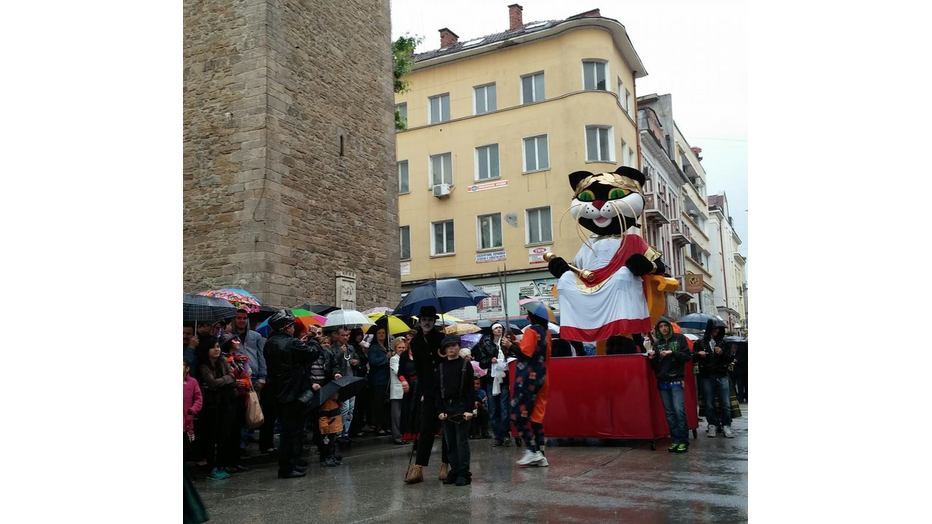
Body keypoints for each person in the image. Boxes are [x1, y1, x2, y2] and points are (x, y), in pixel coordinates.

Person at [264, 309, 321, 478]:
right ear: (285, 327)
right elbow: (312, 353)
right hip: (293, 392)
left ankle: (292, 463)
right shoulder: (290, 343)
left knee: (289, 431)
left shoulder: (270, 342)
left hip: (279, 391)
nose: (292, 328)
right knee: (292, 432)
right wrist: (313, 339)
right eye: (290, 325)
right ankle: (288, 467)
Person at [405, 305, 449, 484]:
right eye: (424, 319)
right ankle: (419, 467)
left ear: (434, 321)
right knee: (426, 427)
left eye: (430, 319)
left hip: (444, 387)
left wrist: (443, 349)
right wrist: (423, 390)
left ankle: (446, 464)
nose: (427, 322)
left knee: (446, 427)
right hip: (428, 388)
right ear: (420, 321)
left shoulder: (442, 338)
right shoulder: (415, 342)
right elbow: (420, 369)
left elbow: (446, 360)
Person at [511, 308, 552, 467]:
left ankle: (532, 450)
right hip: (542, 377)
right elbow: (544, 356)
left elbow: (525, 354)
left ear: (533, 316)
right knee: (536, 416)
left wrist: (511, 346)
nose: (527, 316)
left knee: (517, 415)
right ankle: (541, 455)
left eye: (529, 314)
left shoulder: (531, 331)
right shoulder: (547, 334)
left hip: (527, 378)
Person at [197, 336, 239, 480]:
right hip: (211, 405)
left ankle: (222, 464)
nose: (217, 349)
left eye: (218, 347)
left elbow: (232, 377)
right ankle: (212, 467)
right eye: (213, 347)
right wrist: (226, 379)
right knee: (211, 436)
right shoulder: (203, 365)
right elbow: (212, 382)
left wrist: (224, 380)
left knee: (224, 435)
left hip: (225, 402)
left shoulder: (222, 361)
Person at [436, 335, 475, 486]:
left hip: (461, 406)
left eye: (454, 345)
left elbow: (470, 389)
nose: (452, 348)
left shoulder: (466, 365)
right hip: (446, 408)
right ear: (444, 350)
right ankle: (454, 470)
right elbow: (437, 390)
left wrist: (469, 409)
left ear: (459, 347)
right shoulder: (440, 367)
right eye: (448, 346)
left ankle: (464, 473)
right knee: (450, 441)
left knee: (461, 441)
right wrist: (440, 409)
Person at [648, 319, 692, 453]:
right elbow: (655, 366)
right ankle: (676, 440)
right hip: (663, 381)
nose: (663, 328)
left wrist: (672, 353)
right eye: (660, 326)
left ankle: (683, 441)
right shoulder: (657, 344)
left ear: (669, 327)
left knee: (679, 410)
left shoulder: (679, 339)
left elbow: (687, 356)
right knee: (669, 413)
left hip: (676, 379)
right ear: (658, 329)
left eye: (665, 326)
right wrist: (652, 358)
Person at [695, 320, 736, 438]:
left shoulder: (723, 342)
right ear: (709, 329)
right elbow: (693, 357)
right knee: (709, 403)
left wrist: (722, 352)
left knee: (725, 403)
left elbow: (729, 359)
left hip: (722, 374)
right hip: (707, 375)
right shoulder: (701, 342)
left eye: (718, 328)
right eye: (714, 328)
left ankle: (726, 425)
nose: (716, 331)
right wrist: (699, 354)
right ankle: (712, 424)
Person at [328, 327, 360, 443]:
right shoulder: (333, 348)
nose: (346, 337)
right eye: (343, 335)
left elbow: (357, 358)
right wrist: (340, 354)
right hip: (342, 382)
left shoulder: (350, 347)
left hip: (351, 380)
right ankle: (339, 432)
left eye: (347, 335)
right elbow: (332, 363)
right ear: (338, 335)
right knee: (344, 408)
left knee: (351, 408)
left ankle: (346, 432)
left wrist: (356, 361)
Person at [367, 326, 391, 436]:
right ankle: (378, 426)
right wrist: (386, 358)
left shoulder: (387, 346)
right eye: (379, 333)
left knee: (386, 404)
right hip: (378, 379)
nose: (382, 335)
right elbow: (373, 362)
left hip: (387, 378)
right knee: (378, 403)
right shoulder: (374, 348)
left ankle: (386, 425)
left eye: (383, 333)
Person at [183, 361, 203, 463]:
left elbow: (198, 399)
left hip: (187, 421)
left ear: (187, 369)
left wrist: (193, 409)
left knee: (187, 450)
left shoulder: (192, 382)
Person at [389, 338, 408, 444]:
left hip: (406, 390)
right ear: (395, 348)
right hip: (397, 391)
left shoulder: (406, 358)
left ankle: (404, 435)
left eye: (403, 347)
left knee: (404, 415)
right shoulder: (394, 359)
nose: (402, 349)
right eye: (399, 347)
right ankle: (397, 437)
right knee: (396, 416)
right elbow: (398, 371)